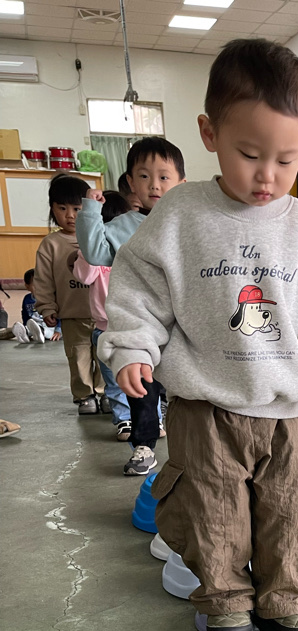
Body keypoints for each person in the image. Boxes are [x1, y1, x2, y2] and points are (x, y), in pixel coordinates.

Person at [99, 37, 298, 631]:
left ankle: (285, 596)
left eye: (287, 160)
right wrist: (132, 348)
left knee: (293, 505)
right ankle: (225, 600)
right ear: (210, 133)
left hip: (284, 408)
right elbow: (139, 287)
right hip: (204, 404)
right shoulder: (181, 214)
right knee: (213, 507)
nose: (268, 176)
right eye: (250, 154)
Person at [77, 137, 186, 473]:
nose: (154, 185)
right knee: (142, 388)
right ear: (130, 182)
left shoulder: (190, 223)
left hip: (184, 327)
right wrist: (90, 210)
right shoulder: (124, 227)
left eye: (164, 177)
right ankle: (144, 445)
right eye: (144, 176)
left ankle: (194, 453)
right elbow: (95, 252)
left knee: (188, 393)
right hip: (142, 327)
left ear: (181, 183)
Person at [34, 174, 106, 414]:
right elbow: (43, 280)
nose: (70, 215)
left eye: (77, 209)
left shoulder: (99, 237)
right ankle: (84, 395)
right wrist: (46, 307)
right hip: (72, 314)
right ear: (52, 208)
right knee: (78, 357)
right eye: (62, 208)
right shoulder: (50, 244)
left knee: (105, 355)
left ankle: (106, 393)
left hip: (104, 314)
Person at [72, 191, 134, 441]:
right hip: (105, 329)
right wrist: (89, 247)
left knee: (144, 377)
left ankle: (152, 419)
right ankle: (124, 420)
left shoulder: (132, 248)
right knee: (114, 379)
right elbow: (84, 277)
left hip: (133, 326)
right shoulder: (94, 254)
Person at [13, 268, 60, 345]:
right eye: (35, 285)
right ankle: (25, 333)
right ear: (27, 286)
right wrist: (25, 324)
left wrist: (58, 330)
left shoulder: (52, 298)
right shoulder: (27, 299)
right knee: (29, 328)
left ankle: (40, 333)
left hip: (50, 326)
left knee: (48, 331)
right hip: (34, 324)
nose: (40, 288)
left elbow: (60, 314)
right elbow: (25, 313)